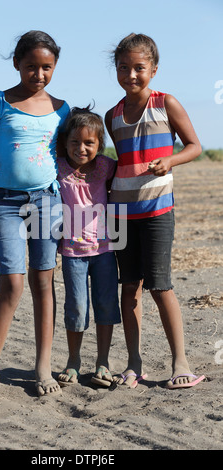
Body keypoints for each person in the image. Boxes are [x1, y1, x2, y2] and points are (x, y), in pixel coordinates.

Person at [0, 30, 70, 401]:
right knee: (11, 284)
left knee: (43, 282)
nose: (39, 74)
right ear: (17, 64)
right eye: (31, 66)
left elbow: (71, 156)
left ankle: (43, 367)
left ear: (55, 67)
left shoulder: (62, 108)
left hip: (47, 202)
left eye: (47, 67)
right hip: (5, 204)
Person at [105, 33, 205, 389]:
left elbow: (194, 146)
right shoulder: (112, 115)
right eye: (123, 68)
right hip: (120, 213)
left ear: (154, 70)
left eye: (139, 68)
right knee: (129, 287)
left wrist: (171, 160)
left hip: (157, 211)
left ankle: (181, 363)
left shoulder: (166, 104)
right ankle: (133, 364)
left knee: (160, 287)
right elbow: (122, 164)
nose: (130, 74)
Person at [57, 106, 121, 388]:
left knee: (106, 304)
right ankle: (73, 361)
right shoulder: (58, 166)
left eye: (89, 143)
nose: (81, 148)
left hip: (105, 250)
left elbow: (131, 169)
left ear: (99, 144)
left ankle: (103, 362)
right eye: (75, 142)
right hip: (73, 254)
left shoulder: (107, 166)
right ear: (65, 142)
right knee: (78, 306)